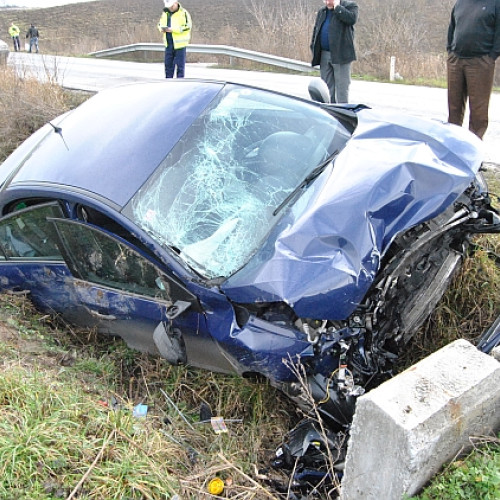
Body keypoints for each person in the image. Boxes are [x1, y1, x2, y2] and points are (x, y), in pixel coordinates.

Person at [447, 0, 500, 139]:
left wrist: (491, 57)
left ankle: (473, 154)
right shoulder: (460, 3)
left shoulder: (495, 4)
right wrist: (450, 50)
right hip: (456, 61)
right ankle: (453, 149)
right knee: (454, 109)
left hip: (480, 62)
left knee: (478, 113)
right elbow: (452, 28)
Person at [310, 0, 358, 103]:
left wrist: (337, 8)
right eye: (326, 0)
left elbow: (351, 19)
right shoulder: (322, 12)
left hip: (341, 55)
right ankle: (328, 113)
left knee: (341, 90)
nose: (327, 3)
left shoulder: (350, 6)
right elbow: (316, 30)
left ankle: (342, 114)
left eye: (330, 0)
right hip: (324, 54)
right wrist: (313, 45)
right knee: (326, 90)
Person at [158, 0, 192, 78]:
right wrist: (162, 29)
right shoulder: (165, 13)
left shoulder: (184, 13)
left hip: (180, 45)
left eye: (172, 6)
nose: (170, 8)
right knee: (168, 67)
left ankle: (180, 85)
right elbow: (160, 24)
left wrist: (173, 29)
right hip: (169, 44)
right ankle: (168, 85)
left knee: (180, 68)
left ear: (176, 3)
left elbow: (188, 26)